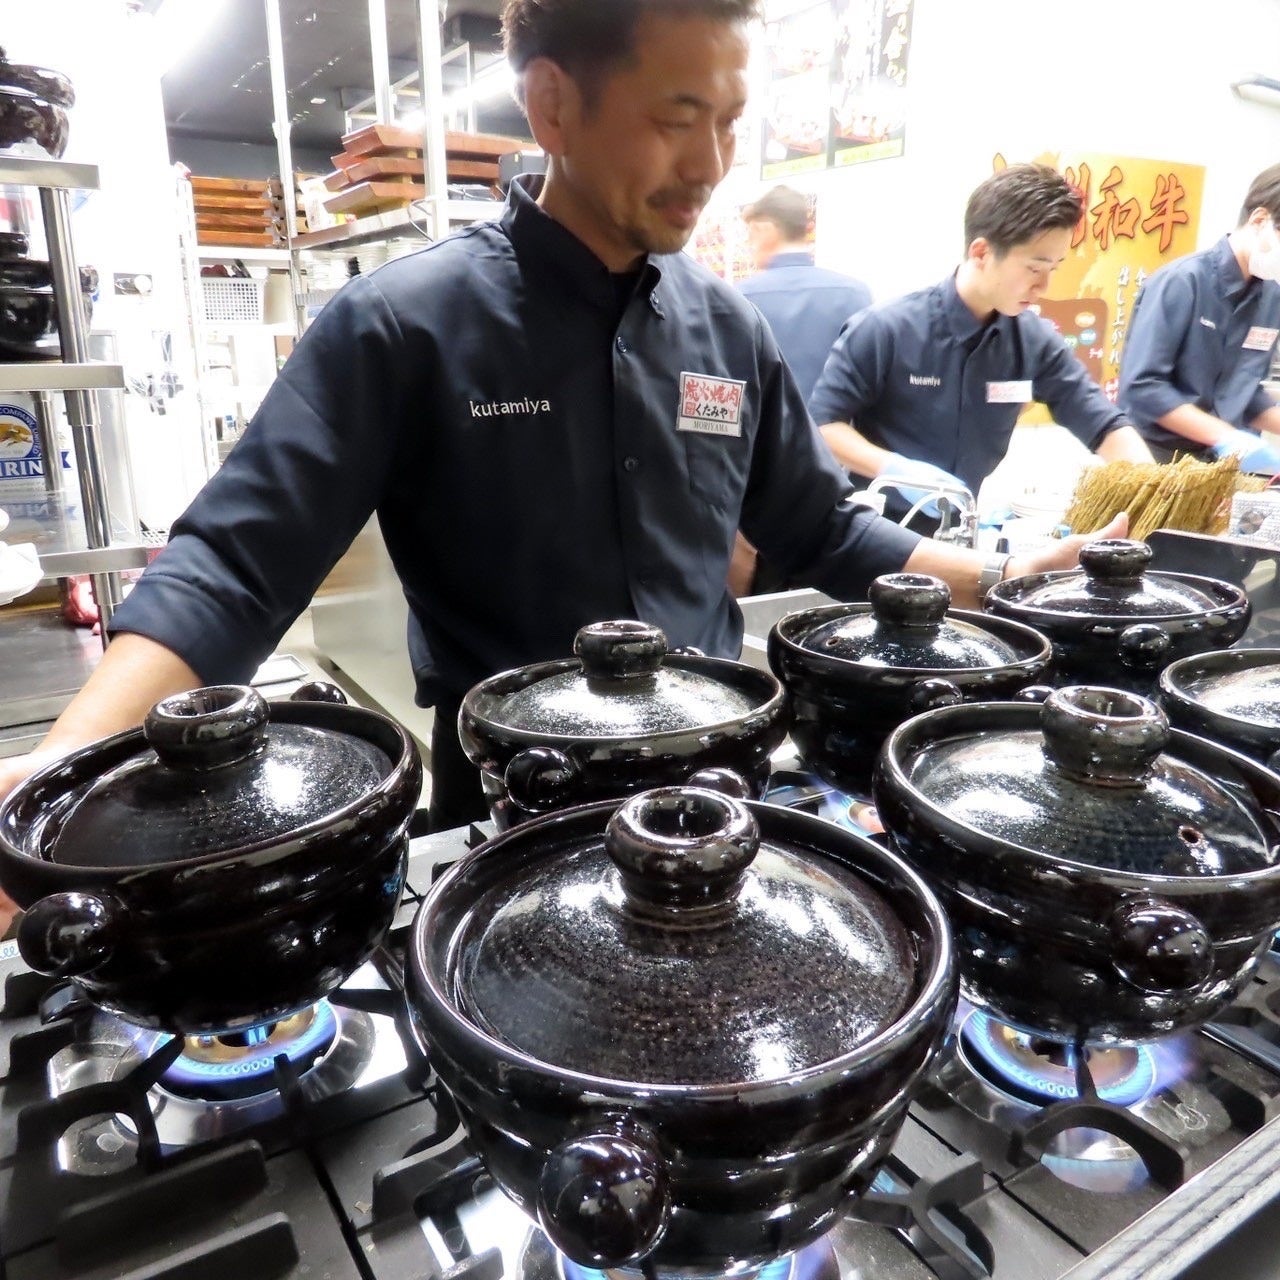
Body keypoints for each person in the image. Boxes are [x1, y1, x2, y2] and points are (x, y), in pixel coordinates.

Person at [0, 1, 1125, 936]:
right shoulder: (404, 325)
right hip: (507, 807)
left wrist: (997, 575)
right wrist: (54, 774)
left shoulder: (727, 334)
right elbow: (235, 566)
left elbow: (818, 528)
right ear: (550, 105)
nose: (712, 165)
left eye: (730, 122)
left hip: (715, 792)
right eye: (676, 118)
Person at [809, 163, 1153, 527]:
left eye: (1055, 268)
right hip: (873, 528)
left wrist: (1155, 485)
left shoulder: (1033, 341)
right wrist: (896, 470)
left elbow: (1102, 423)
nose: (1044, 287)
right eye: (1034, 268)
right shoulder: (886, 329)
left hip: (962, 529)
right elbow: (822, 425)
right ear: (981, 252)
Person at [1119, 163, 1280, 469]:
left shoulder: (1272, 299)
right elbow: (1143, 387)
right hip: (1154, 461)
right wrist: (1226, 435)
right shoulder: (1182, 282)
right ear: (1260, 219)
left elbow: (1244, 393)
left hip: (1217, 467)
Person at [738, 184, 872, 402]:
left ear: (765, 230)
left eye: (751, 234)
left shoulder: (740, 298)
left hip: (764, 435)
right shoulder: (855, 294)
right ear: (807, 228)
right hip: (830, 435)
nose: (749, 245)